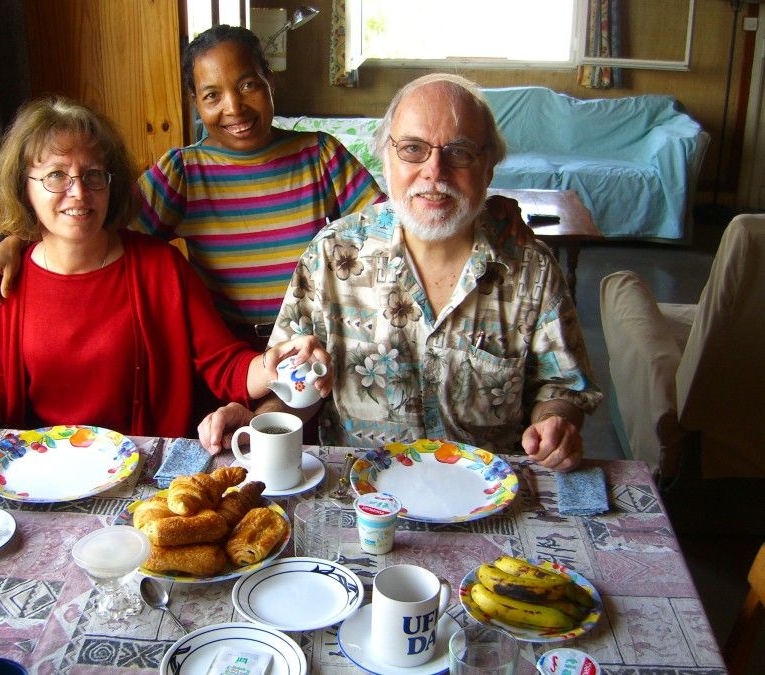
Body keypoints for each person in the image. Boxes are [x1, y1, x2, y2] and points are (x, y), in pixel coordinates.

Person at [199, 73, 602, 472]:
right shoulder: (332, 256)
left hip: (489, 488)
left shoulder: (531, 269)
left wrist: (556, 421)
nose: (435, 171)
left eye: (460, 152)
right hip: (361, 488)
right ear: (386, 158)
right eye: (412, 149)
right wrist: (259, 424)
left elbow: (561, 387)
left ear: (488, 168)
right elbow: (296, 383)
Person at [0, 96, 329, 443]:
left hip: (143, 478)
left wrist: (276, 362)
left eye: (93, 175)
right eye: (56, 176)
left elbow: (223, 363)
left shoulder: (161, 269)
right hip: (44, 474)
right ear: (23, 187)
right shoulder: (5, 283)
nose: (78, 192)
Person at [0, 25, 385, 348]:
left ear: (269, 81)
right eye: (212, 95)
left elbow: (386, 228)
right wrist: (16, 242)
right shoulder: (183, 172)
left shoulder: (320, 155)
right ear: (194, 101)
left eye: (248, 85)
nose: (234, 107)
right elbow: (96, 221)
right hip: (223, 347)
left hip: (308, 343)